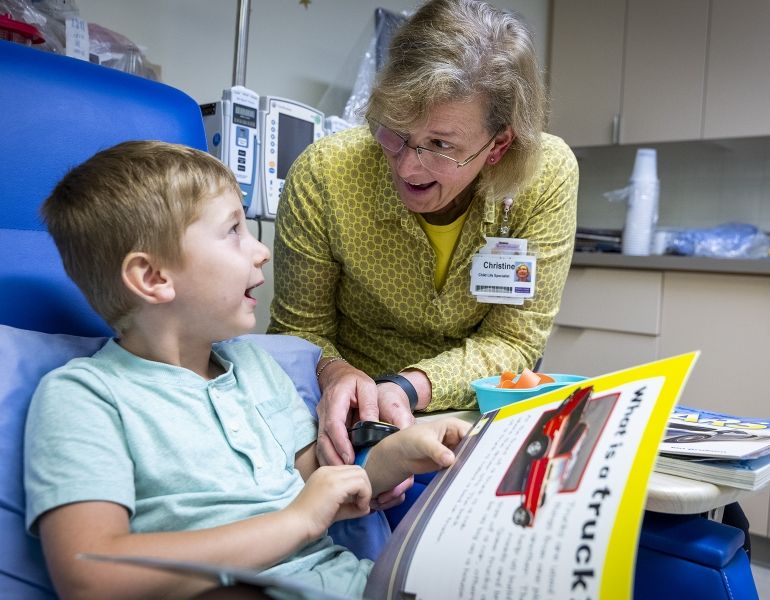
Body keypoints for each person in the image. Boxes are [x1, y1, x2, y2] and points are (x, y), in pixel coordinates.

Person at [24, 140, 469, 599]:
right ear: (153, 278)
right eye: (233, 230)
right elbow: (90, 576)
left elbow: (307, 486)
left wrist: (395, 457)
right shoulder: (86, 397)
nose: (261, 251)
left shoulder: (254, 366)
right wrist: (296, 522)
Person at [270, 0, 579, 470]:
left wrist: (409, 386)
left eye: (440, 146)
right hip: (352, 420)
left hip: (474, 422)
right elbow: (298, 332)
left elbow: (514, 343)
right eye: (394, 131)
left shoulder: (544, 177)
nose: (407, 166)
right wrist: (336, 374)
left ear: (498, 146)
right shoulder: (327, 175)